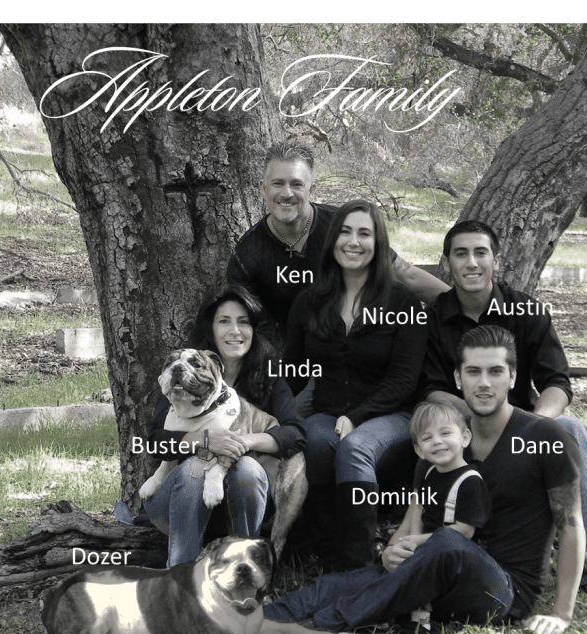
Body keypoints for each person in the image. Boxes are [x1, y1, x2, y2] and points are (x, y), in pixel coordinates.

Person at [258, 326, 585, 634]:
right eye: (473, 372)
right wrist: (391, 551)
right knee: (339, 584)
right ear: (458, 378)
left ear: (513, 376)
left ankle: (315, 628)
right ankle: (251, 623)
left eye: (495, 372)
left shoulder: (546, 437)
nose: (484, 383)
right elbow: (418, 511)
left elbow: (570, 525)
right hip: (431, 572)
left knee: (446, 543)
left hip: (500, 590)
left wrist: (561, 614)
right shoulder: (446, 439)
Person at [419, 219, 587, 601]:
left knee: (574, 431)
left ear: (496, 260)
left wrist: (535, 424)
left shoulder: (528, 311)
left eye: (481, 253)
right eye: (460, 254)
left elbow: (557, 383)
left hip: (528, 425)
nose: (471, 263)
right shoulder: (430, 317)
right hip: (464, 426)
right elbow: (431, 388)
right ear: (446, 263)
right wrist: (479, 417)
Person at [284, 199, 428, 568]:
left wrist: (360, 415)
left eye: (365, 233)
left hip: (391, 414)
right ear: (332, 241)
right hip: (327, 411)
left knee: (355, 446)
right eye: (345, 232)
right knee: (314, 439)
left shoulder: (403, 301)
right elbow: (293, 371)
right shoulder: (309, 301)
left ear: (378, 244)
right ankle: (324, 550)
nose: (354, 241)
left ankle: (359, 563)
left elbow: (405, 379)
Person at [142, 285, 306, 567]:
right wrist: (204, 439)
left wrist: (244, 440)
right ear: (210, 329)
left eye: (243, 322)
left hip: (239, 506)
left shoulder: (268, 377)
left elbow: (296, 434)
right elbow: (155, 441)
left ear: (254, 330)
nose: (235, 331)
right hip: (178, 504)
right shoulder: (183, 374)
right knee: (195, 468)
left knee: (249, 469)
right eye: (224, 321)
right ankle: (181, 577)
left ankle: (246, 572)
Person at [226, 141, 449, 340]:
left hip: (361, 348)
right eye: (277, 184)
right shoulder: (247, 255)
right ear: (263, 189)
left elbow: (406, 275)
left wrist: (462, 306)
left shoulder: (343, 226)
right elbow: (248, 328)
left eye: (297, 184)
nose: (287, 193)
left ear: (311, 189)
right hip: (294, 363)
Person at [401, 399, 490, 629]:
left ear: (465, 438)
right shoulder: (430, 473)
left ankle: (421, 622)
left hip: (458, 553)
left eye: (445, 433)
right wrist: (412, 542)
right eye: (427, 438)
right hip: (430, 545)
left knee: (422, 575)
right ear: (419, 450)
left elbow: (465, 531)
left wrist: (419, 542)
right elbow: (419, 508)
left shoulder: (470, 482)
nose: (437, 441)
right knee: (403, 565)